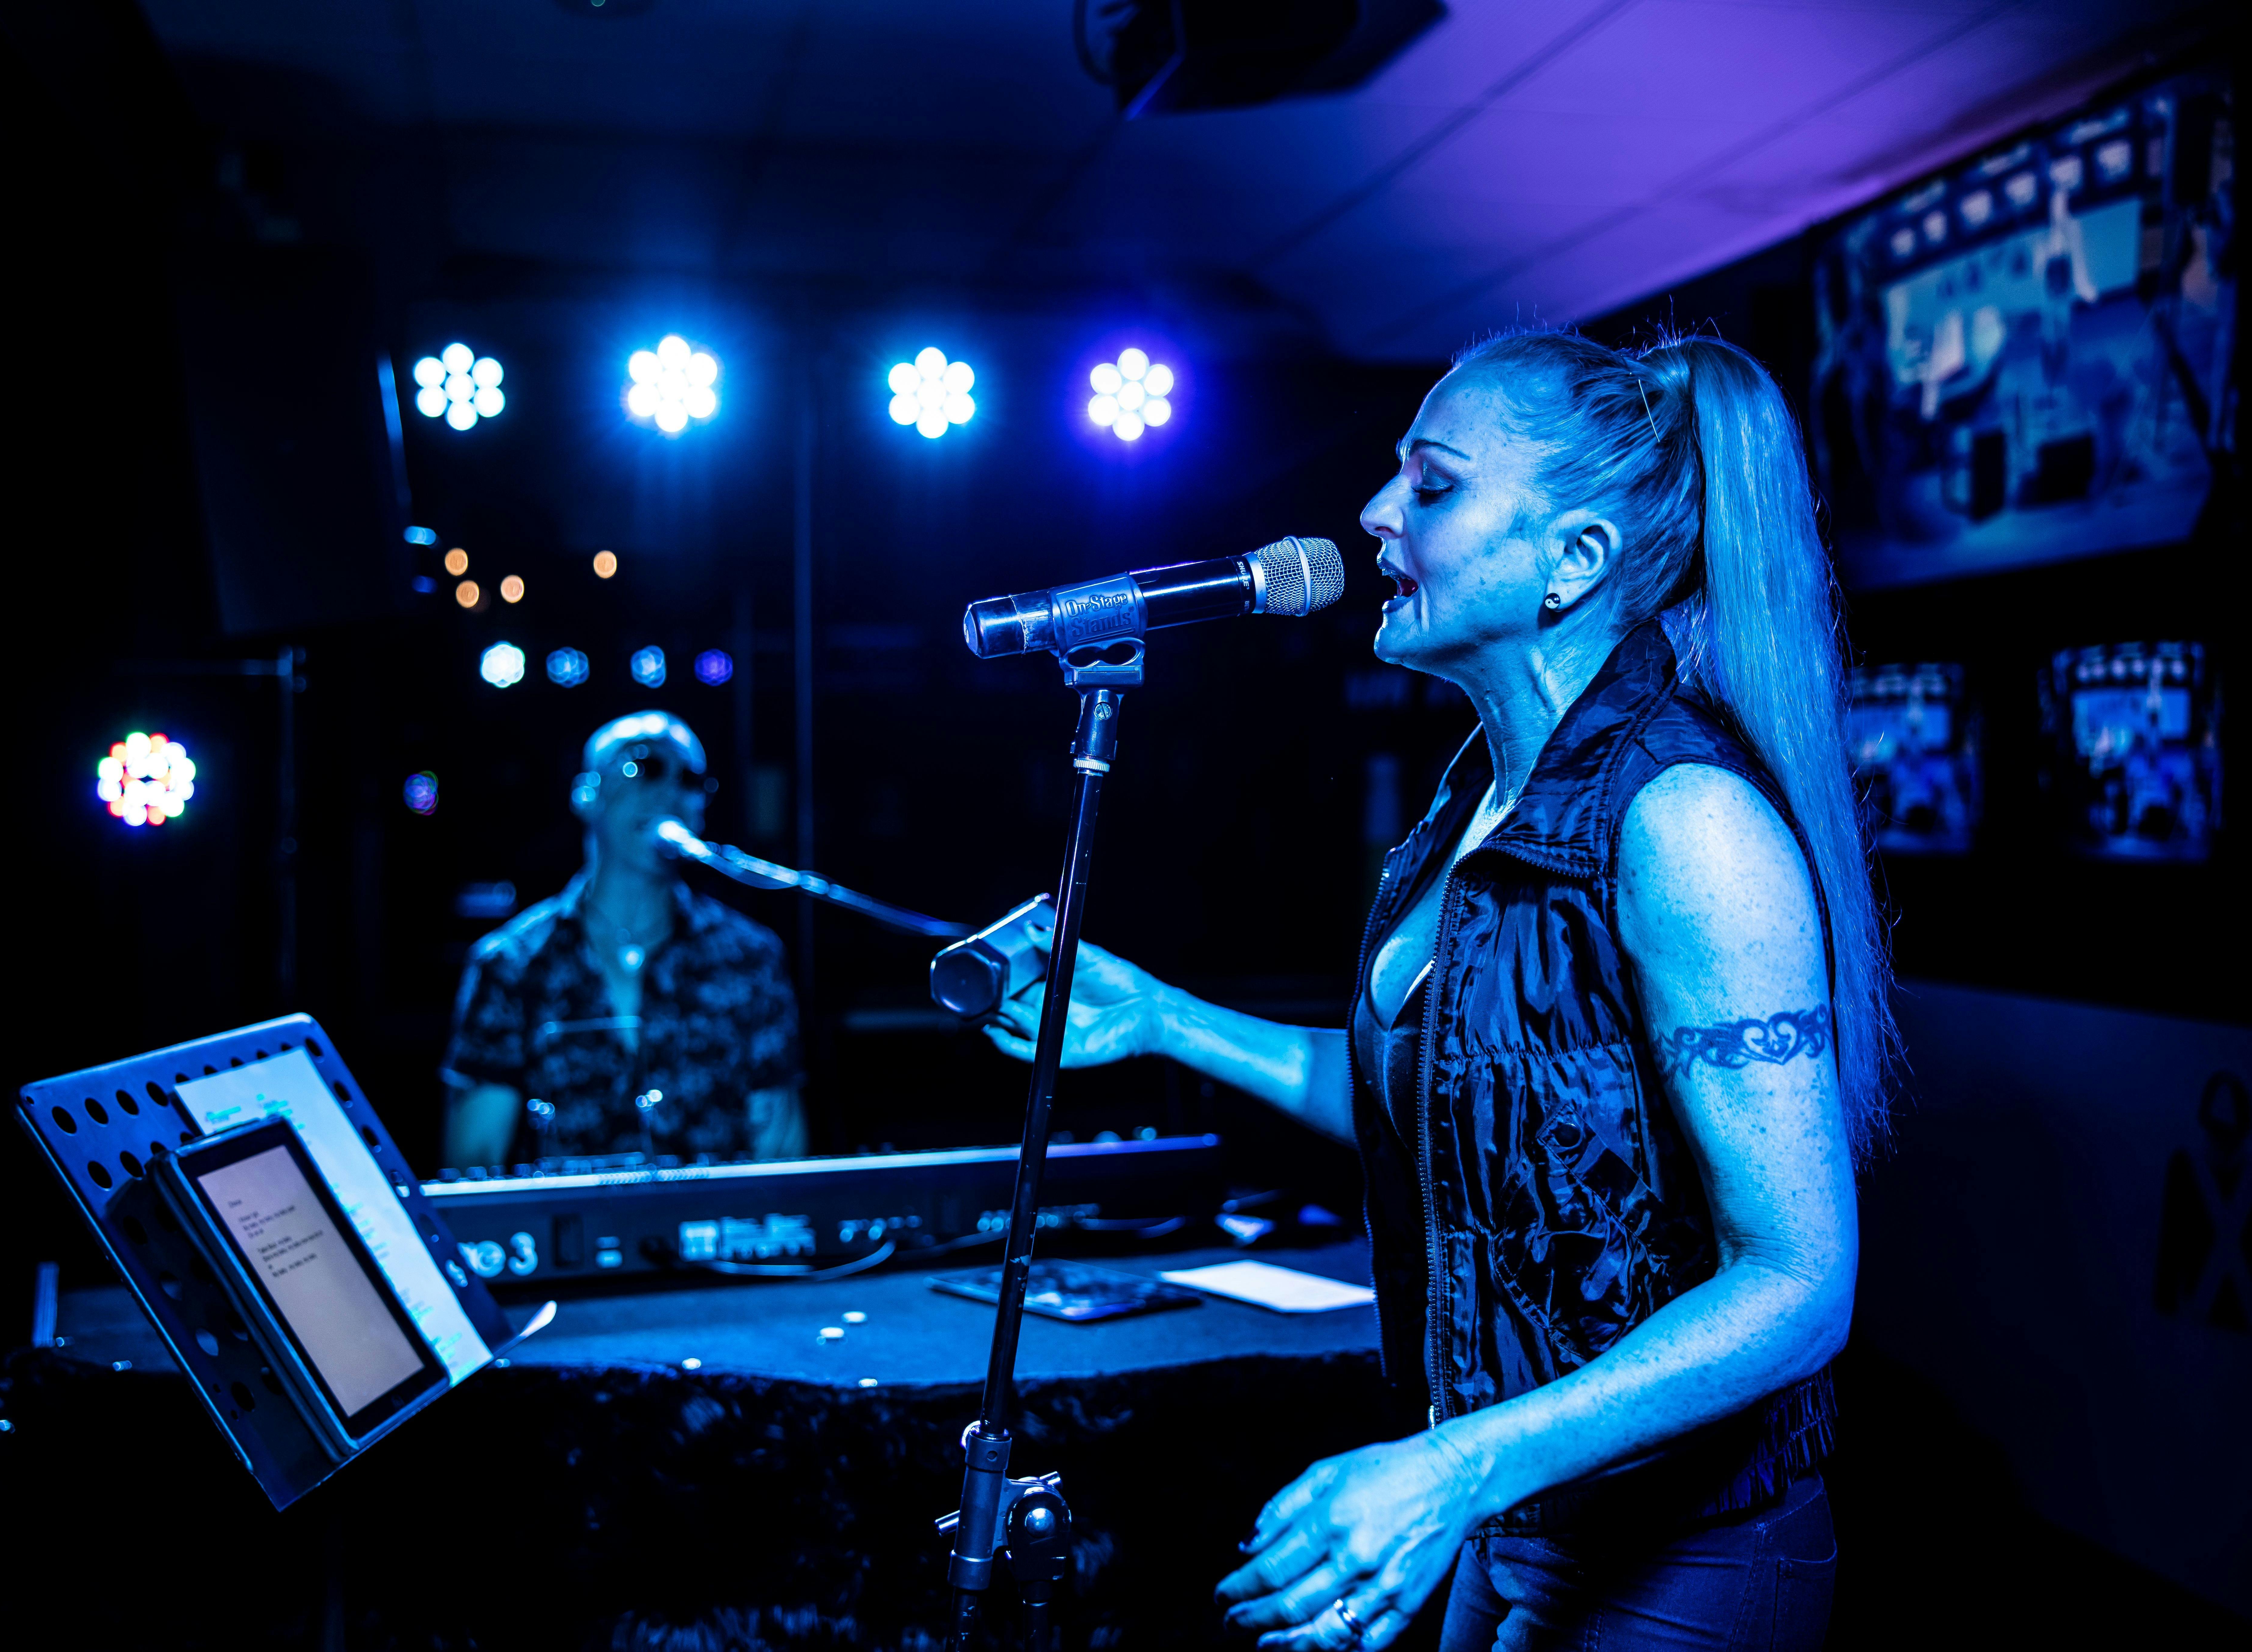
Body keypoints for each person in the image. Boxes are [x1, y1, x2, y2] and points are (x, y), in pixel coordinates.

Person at [989, 332, 1889, 1649]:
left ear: (1572, 561)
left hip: (1675, 1562)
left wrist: (1452, 1467)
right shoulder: (1472, 801)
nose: (1372, 514)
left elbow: (1800, 1281)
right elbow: (1447, 1113)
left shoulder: (1685, 821)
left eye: (1433, 484)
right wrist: (1159, 1017)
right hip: (1508, 1524)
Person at [443, 711, 806, 1169]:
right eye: (645, 766)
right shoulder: (513, 964)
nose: (671, 792)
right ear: (587, 794)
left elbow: (782, 1153)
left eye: (691, 780)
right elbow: (474, 1161)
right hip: (569, 1232)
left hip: (710, 1226)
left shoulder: (750, 957)